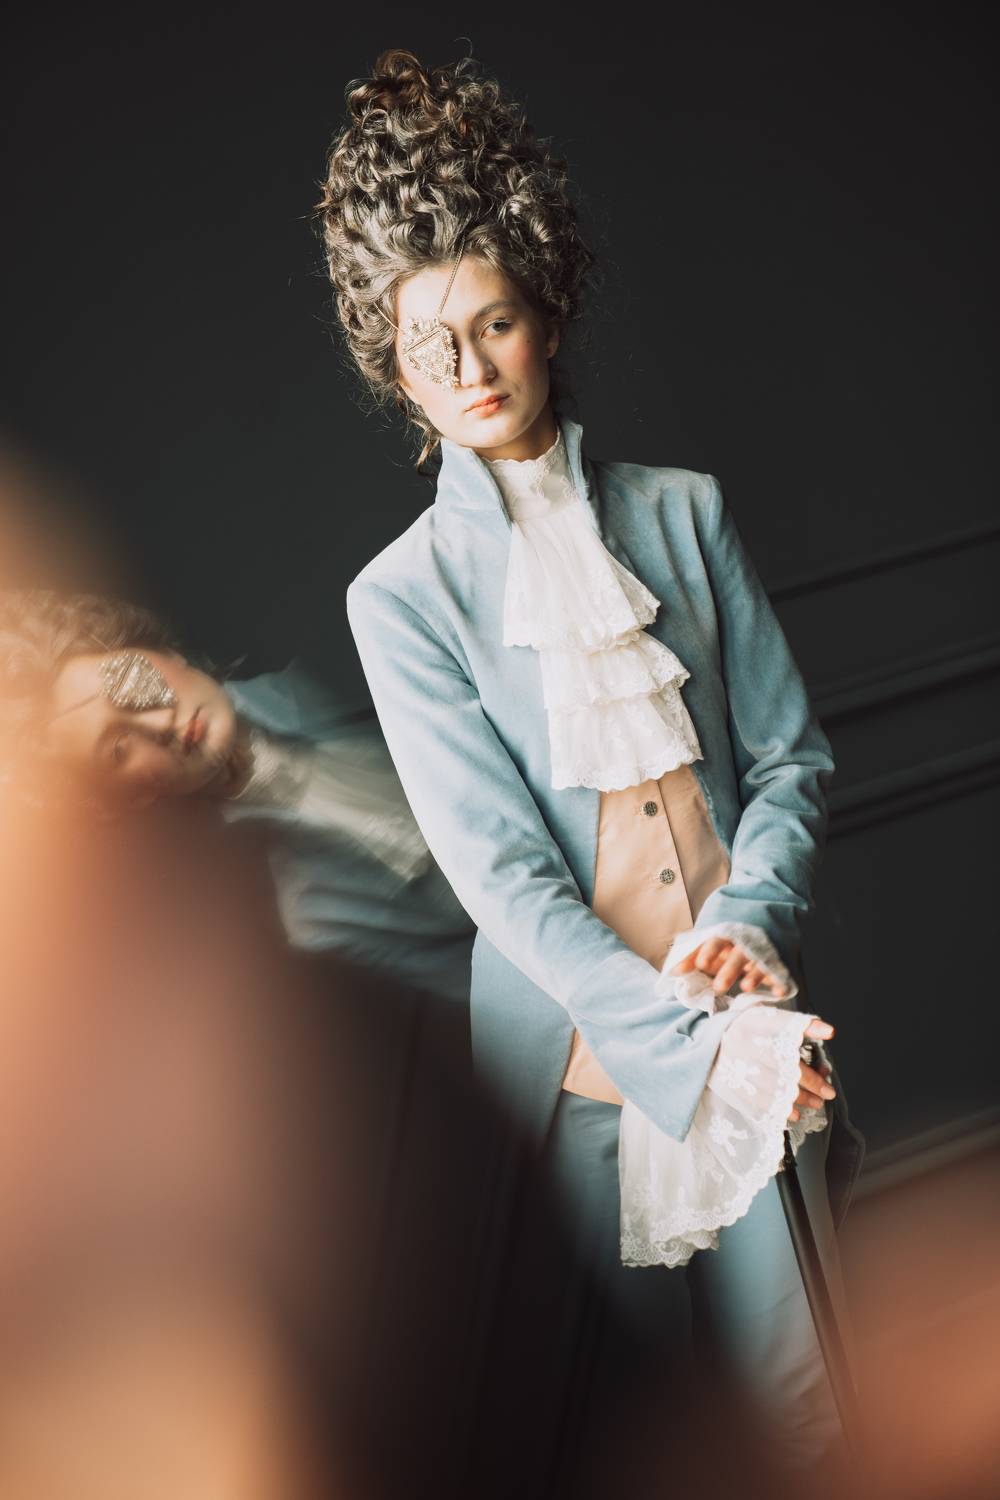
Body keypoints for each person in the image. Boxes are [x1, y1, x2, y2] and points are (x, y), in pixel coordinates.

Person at [316, 46, 865, 1484]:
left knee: (804, 1409)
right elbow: (506, 885)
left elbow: (793, 760)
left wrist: (750, 932)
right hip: (579, 1080)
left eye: (492, 324)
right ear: (393, 367)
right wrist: (687, 1050)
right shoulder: (400, 601)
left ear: (546, 314)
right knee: (631, 1446)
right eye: (428, 346)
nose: (466, 371)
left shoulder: (686, 514)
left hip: (752, 1027)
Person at [0, 587, 474, 1008]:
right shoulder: (306, 919)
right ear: (124, 799)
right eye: (119, 748)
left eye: (129, 683)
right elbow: (479, 986)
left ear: (164, 650)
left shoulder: (359, 640)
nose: (159, 723)